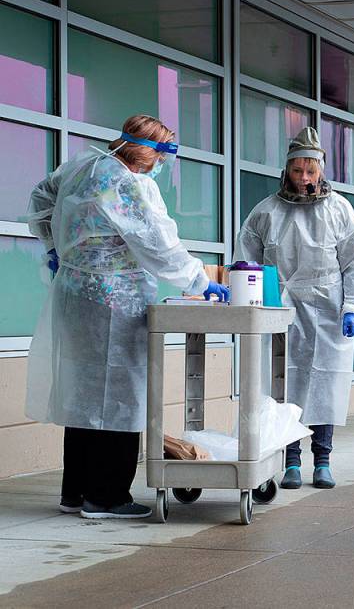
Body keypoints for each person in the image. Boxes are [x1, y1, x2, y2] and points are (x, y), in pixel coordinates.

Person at [25, 115, 230, 519]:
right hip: (113, 299)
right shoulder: (127, 183)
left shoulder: (84, 164)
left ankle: (76, 492)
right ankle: (107, 497)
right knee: (119, 396)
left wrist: (53, 244)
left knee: (83, 393)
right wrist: (198, 280)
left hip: (74, 293)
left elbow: (40, 196)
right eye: (163, 155)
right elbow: (157, 241)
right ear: (148, 152)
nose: (162, 165)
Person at [236, 126, 354, 489]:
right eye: (298, 170)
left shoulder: (338, 210)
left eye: (310, 171)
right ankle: (292, 460)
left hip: (327, 309)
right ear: (286, 170)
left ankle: (323, 459)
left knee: (324, 384)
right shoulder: (266, 212)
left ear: (321, 171)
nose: (304, 178)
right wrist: (248, 303)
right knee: (284, 385)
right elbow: (246, 262)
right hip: (280, 309)